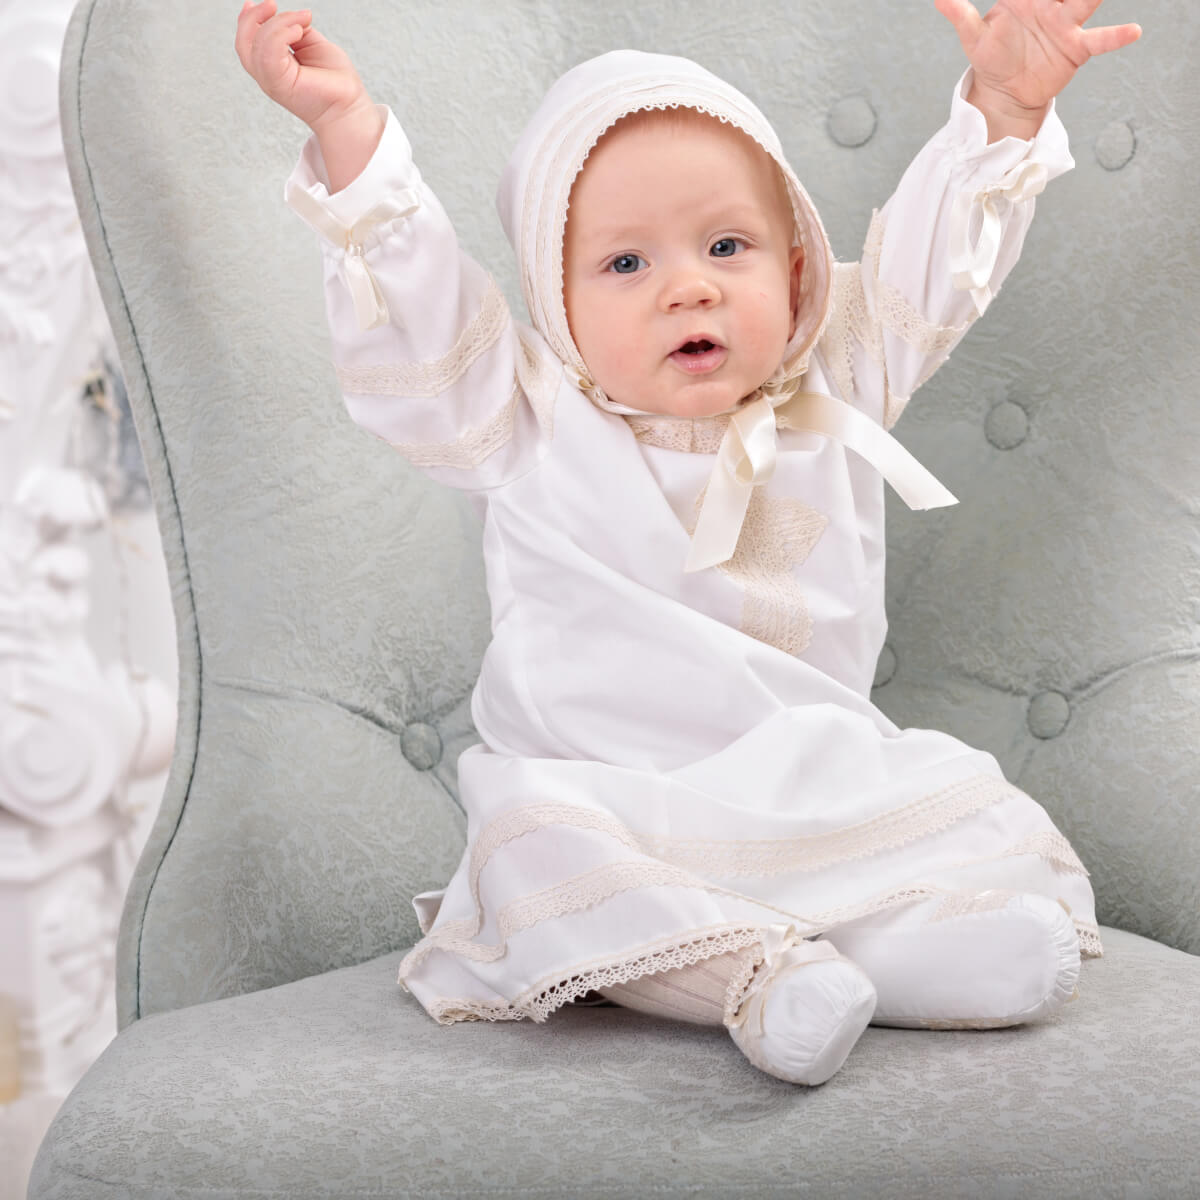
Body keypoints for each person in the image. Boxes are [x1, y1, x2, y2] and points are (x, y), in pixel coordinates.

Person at [235, 0, 1140, 1086]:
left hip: (807, 778)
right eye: (625, 265)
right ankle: (755, 983)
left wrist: (1001, 108)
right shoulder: (520, 416)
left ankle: (893, 959)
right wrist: (350, 134)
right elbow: (417, 305)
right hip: (604, 798)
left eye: (728, 244)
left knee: (959, 802)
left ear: (797, 270)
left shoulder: (832, 379)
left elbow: (933, 269)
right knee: (533, 844)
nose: (691, 284)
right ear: (553, 305)